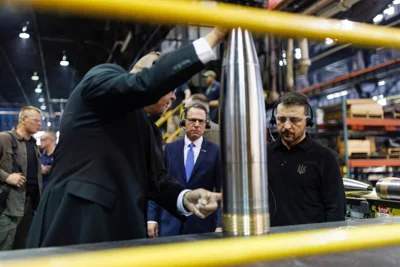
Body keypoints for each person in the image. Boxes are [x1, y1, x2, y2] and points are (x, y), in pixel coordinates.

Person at [26, 27, 226, 248]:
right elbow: (146, 84)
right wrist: (214, 37)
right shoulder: (102, 78)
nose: (173, 96)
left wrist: (185, 198)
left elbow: (157, 180)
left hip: (123, 234)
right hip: (77, 224)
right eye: (170, 87)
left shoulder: (148, 128)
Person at [268, 91, 345, 227]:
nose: (286, 126)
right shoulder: (263, 155)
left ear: (308, 121)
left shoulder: (324, 158)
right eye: (281, 119)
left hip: (310, 243)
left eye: (294, 120)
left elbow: (336, 209)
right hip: (271, 242)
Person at [148, 103, 222, 237]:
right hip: (170, 223)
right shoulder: (170, 149)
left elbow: (221, 190)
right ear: (184, 122)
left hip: (202, 224)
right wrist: (152, 218)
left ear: (206, 125)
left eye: (201, 121)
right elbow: (157, 184)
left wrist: (220, 224)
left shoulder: (215, 152)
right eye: (192, 120)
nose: (196, 124)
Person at [0, 106, 42, 250]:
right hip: (8, 205)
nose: (39, 124)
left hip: (30, 204)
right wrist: (6, 177)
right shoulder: (4, 138)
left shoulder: (33, 144)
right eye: (36, 120)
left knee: (22, 248)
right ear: (23, 119)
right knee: (4, 247)